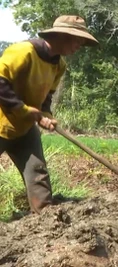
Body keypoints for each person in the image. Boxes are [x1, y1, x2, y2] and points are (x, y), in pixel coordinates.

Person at [0, 15, 98, 214]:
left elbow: (46, 96)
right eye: (77, 39)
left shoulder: (59, 65)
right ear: (61, 36)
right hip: (2, 122)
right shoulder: (23, 52)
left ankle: (46, 222)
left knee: (38, 174)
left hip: (24, 129)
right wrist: (24, 110)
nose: (79, 45)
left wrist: (46, 114)